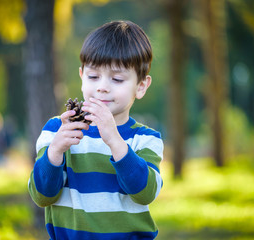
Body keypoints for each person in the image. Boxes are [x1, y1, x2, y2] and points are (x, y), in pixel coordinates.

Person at [28, 20, 164, 240]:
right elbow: (42, 196)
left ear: (141, 86)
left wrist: (114, 140)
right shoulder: (57, 131)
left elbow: (145, 193)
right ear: (82, 77)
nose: (102, 86)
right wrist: (54, 152)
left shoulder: (146, 139)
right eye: (93, 76)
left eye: (117, 79)